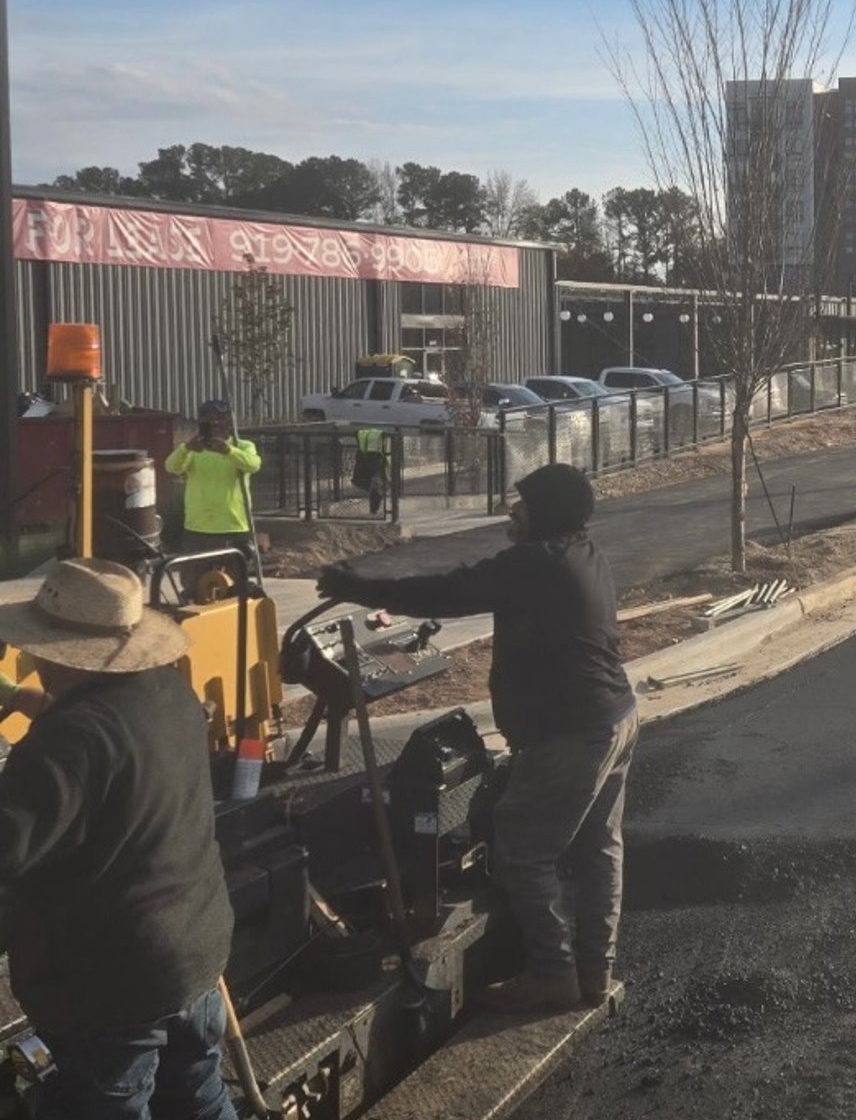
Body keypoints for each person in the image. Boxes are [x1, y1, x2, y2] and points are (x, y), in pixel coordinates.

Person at [0, 559, 250, 1120]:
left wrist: (27, 750)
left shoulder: (63, 751)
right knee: (200, 1098)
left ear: (53, 651)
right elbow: (110, 752)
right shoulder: (171, 697)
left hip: (111, 983)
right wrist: (38, 716)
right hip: (193, 950)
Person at [317, 462, 637, 1015]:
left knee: (521, 849)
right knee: (599, 848)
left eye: (523, 503)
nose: (513, 511)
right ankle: (593, 971)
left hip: (569, 734)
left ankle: (554, 974)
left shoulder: (535, 562)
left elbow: (453, 590)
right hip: (615, 716)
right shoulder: (585, 553)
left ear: (547, 512)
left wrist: (356, 587)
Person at [165, 399, 262, 592]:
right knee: (193, 584)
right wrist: (186, 449)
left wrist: (228, 451)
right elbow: (171, 467)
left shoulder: (242, 446)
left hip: (234, 526)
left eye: (220, 418)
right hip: (199, 528)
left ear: (230, 421)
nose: (215, 424)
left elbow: (253, 464)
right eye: (208, 420)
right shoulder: (192, 450)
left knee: (237, 584)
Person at [351, 421, 390, 519]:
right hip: (375, 460)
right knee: (377, 488)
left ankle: (374, 510)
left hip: (367, 459)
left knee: (375, 487)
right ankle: (374, 510)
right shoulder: (380, 439)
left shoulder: (362, 436)